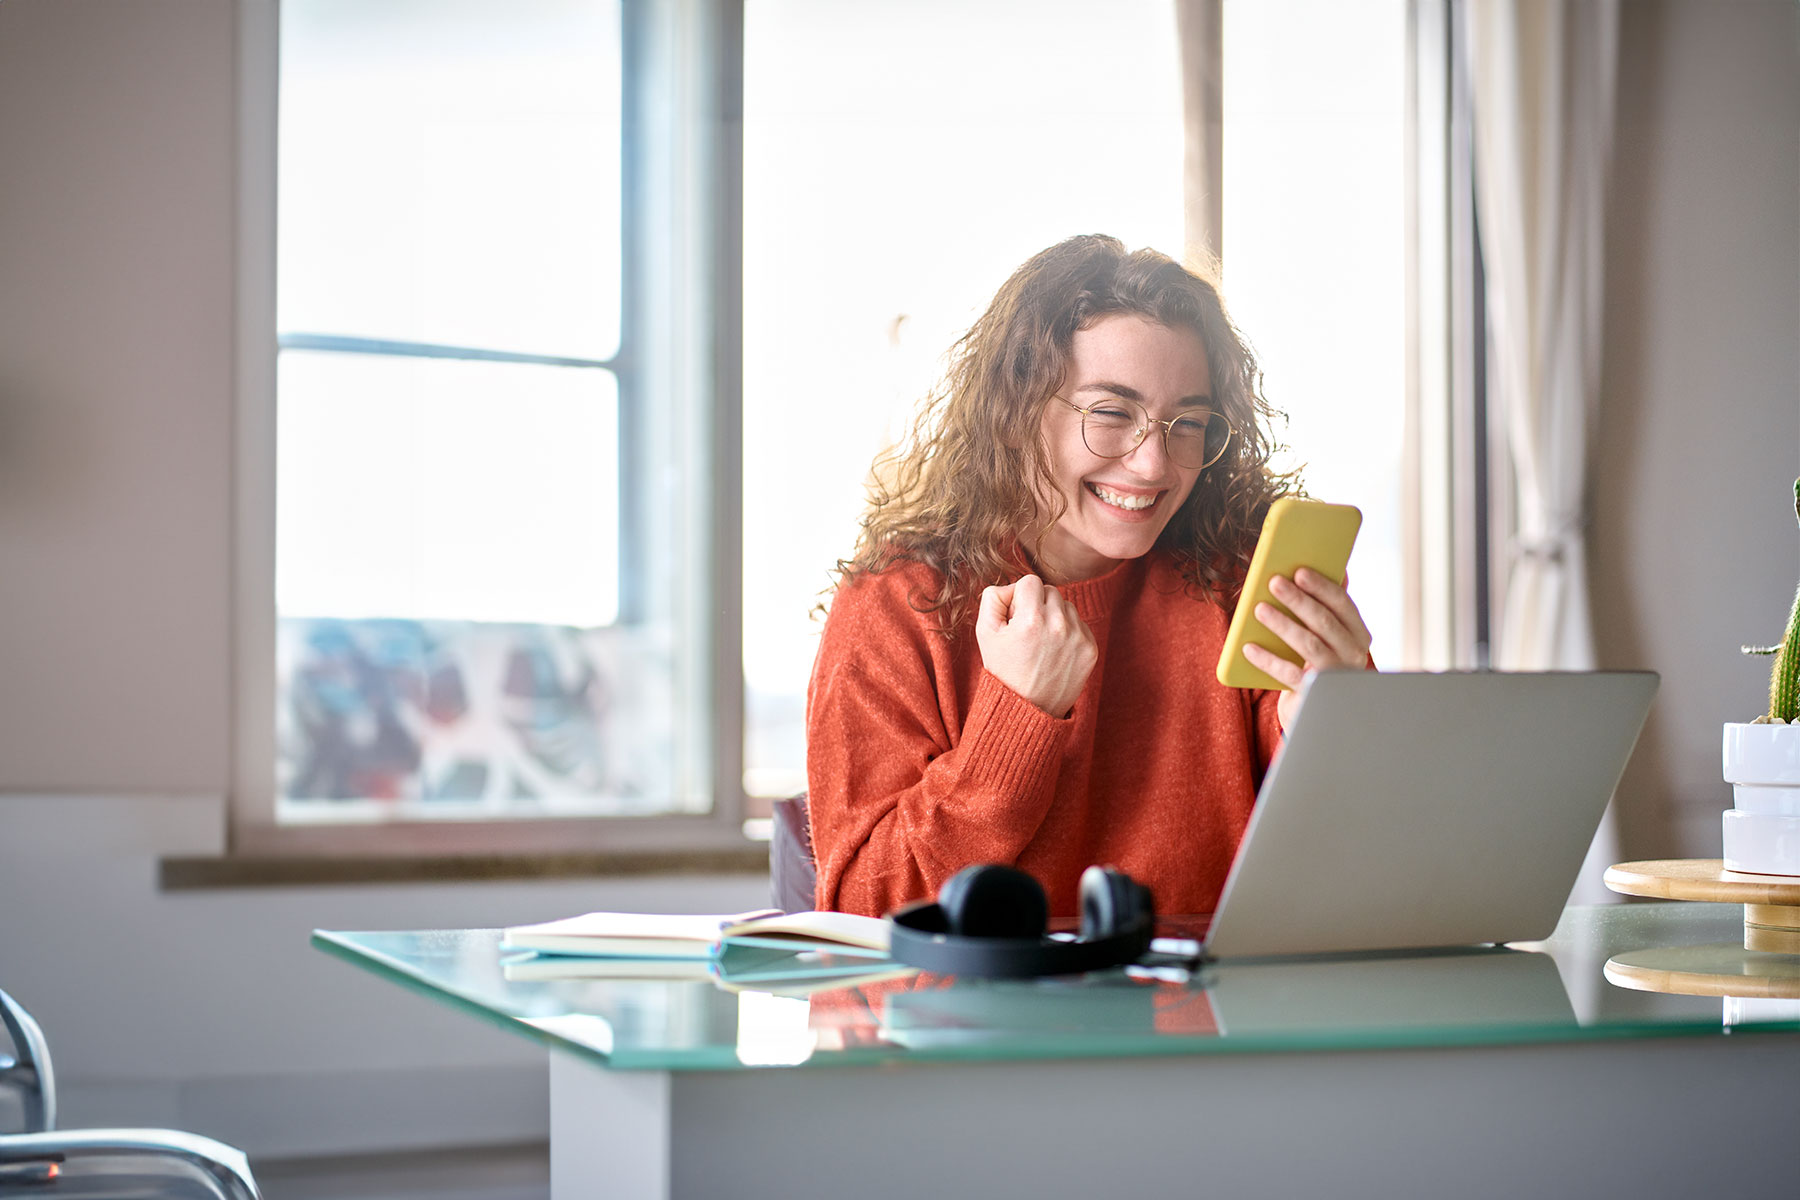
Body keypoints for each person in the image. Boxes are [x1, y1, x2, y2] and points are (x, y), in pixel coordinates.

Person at [806, 234, 1373, 920]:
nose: (1153, 466)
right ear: (1015, 412)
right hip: (979, 1023)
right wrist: (1016, 718)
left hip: (1221, 1019)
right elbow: (861, 912)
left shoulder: (1238, 586)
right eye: (1111, 414)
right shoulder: (895, 608)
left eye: (1187, 423)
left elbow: (1349, 885)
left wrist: (1334, 727)